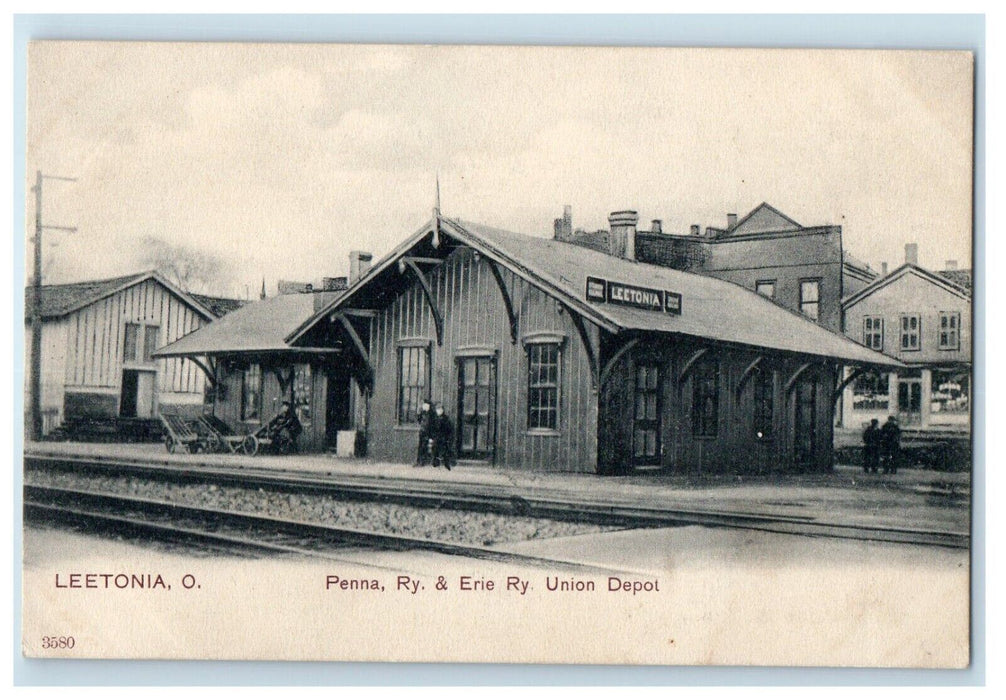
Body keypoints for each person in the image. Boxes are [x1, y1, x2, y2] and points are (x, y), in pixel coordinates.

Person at [431, 403, 454, 471]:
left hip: (444, 437)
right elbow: (432, 428)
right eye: (438, 409)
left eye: (440, 409)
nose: (439, 411)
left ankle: (446, 464)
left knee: (444, 451)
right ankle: (435, 464)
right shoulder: (435, 418)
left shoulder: (446, 418)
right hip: (436, 437)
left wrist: (448, 437)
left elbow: (449, 429)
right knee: (435, 450)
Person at [414, 400, 432, 467]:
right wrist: (419, 413)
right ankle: (418, 461)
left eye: (426, 405)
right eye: (424, 405)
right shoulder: (423, 413)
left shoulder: (430, 414)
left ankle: (422, 462)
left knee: (424, 446)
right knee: (420, 446)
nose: (425, 407)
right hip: (422, 431)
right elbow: (419, 420)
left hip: (428, 432)